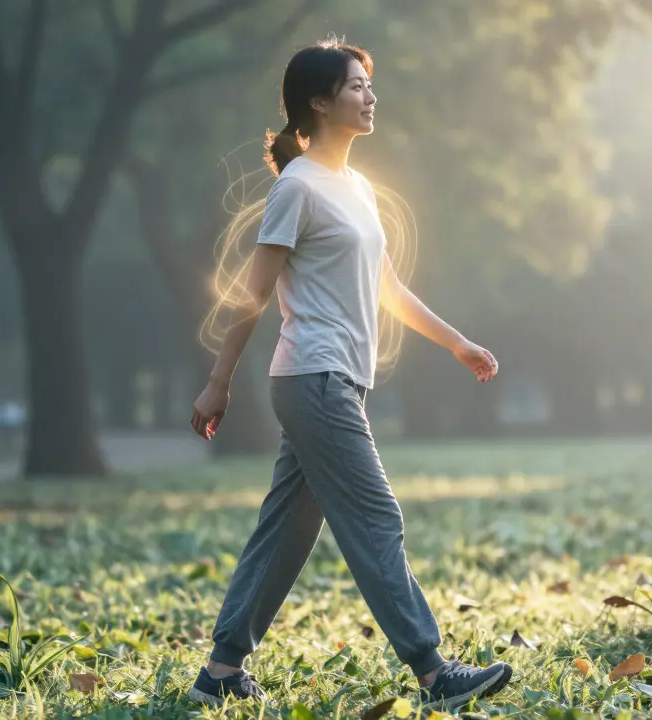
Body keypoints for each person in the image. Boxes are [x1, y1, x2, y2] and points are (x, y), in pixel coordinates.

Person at [188, 38, 512, 711]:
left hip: (334, 379)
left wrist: (456, 343)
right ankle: (433, 671)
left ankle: (221, 669)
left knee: (286, 529)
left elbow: (386, 285)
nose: (370, 95)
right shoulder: (298, 188)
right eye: (356, 85)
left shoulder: (357, 188)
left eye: (369, 84)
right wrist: (219, 381)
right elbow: (252, 295)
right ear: (319, 101)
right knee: (374, 516)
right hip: (313, 376)